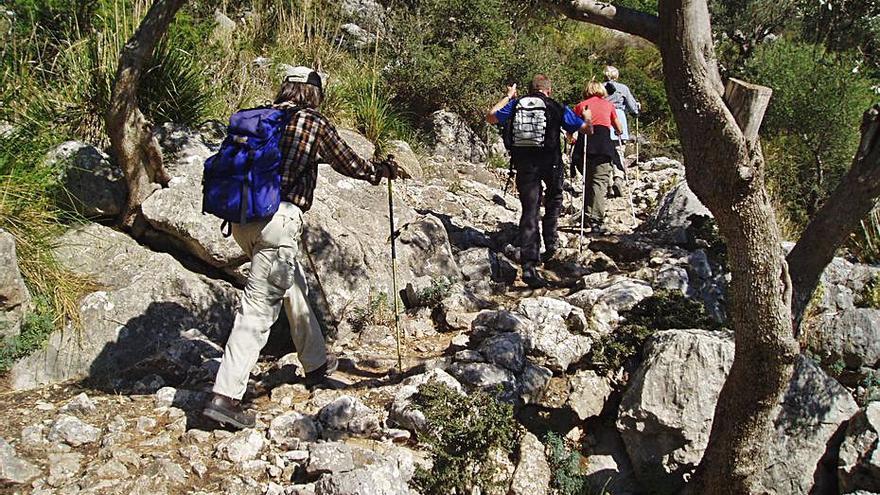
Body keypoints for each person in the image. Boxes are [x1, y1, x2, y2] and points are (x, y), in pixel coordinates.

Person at [203, 66, 399, 429]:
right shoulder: (313, 123)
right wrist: (379, 171)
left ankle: (315, 363)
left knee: (292, 287)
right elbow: (349, 163)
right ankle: (225, 396)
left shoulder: (262, 116)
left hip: (242, 220)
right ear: (314, 93)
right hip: (278, 221)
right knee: (259, 309)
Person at [487, 74, 590, 288]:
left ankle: (529, 265)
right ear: (548, 90)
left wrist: (508, 97)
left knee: (530, 210)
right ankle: (551, 244)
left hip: (524, 165)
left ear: (530, 89)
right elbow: (585, 129)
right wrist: (587, 117)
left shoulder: (516, 104)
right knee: (554, 198)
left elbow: (491, 116)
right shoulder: (554, 106)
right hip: (550, 162)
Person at [571, 81, 623, 234]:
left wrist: (570, 138)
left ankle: (587, 216)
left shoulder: (581, 106)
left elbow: (572, 125)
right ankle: (596, 219)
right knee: (599, 182)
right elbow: (618, 127)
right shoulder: (609, 105)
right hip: (603, 146)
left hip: (584, 147)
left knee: (588, 181)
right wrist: (619, 132)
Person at [603, 65, 641, 197]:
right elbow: (632, 107)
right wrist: (637, 108)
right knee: (619, 150)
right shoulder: (623, 88)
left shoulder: (600, 88)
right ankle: (618, 178)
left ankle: (607, 184)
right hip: (618, 117)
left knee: (605, 152)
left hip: (603, 119)